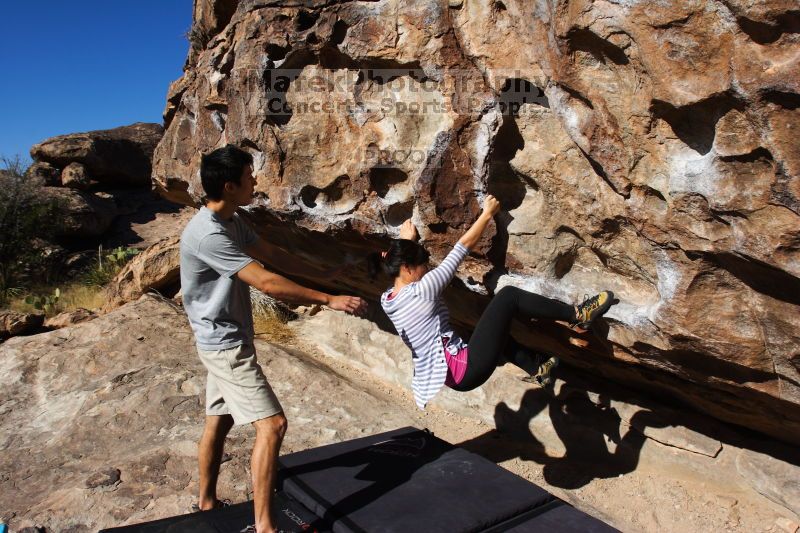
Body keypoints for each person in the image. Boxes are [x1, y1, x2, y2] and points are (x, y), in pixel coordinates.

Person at [180, 144, 367, 533]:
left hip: (226, 337)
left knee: (219, 420)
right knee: (273, 425)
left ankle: (206, 500)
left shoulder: (233, 218)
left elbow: (271, 255)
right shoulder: (208, 234)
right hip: (225, 345)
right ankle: (265, 528)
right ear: (229, 186)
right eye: (249, 177)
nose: (256, 181)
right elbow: (265, 282)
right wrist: (328, 298)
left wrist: (323, 274)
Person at [370, 195, 613, 410]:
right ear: (407, 268)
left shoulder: (388, 300)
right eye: (423, 266)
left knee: (492, 330)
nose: (426, 270)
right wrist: (487, 213)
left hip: (453, 375)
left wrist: (407, 244)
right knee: (508, 297)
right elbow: (462, 247)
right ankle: (579, 314)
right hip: (467, 369)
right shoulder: (424, 289)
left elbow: (400, 263)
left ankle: (538, 368)